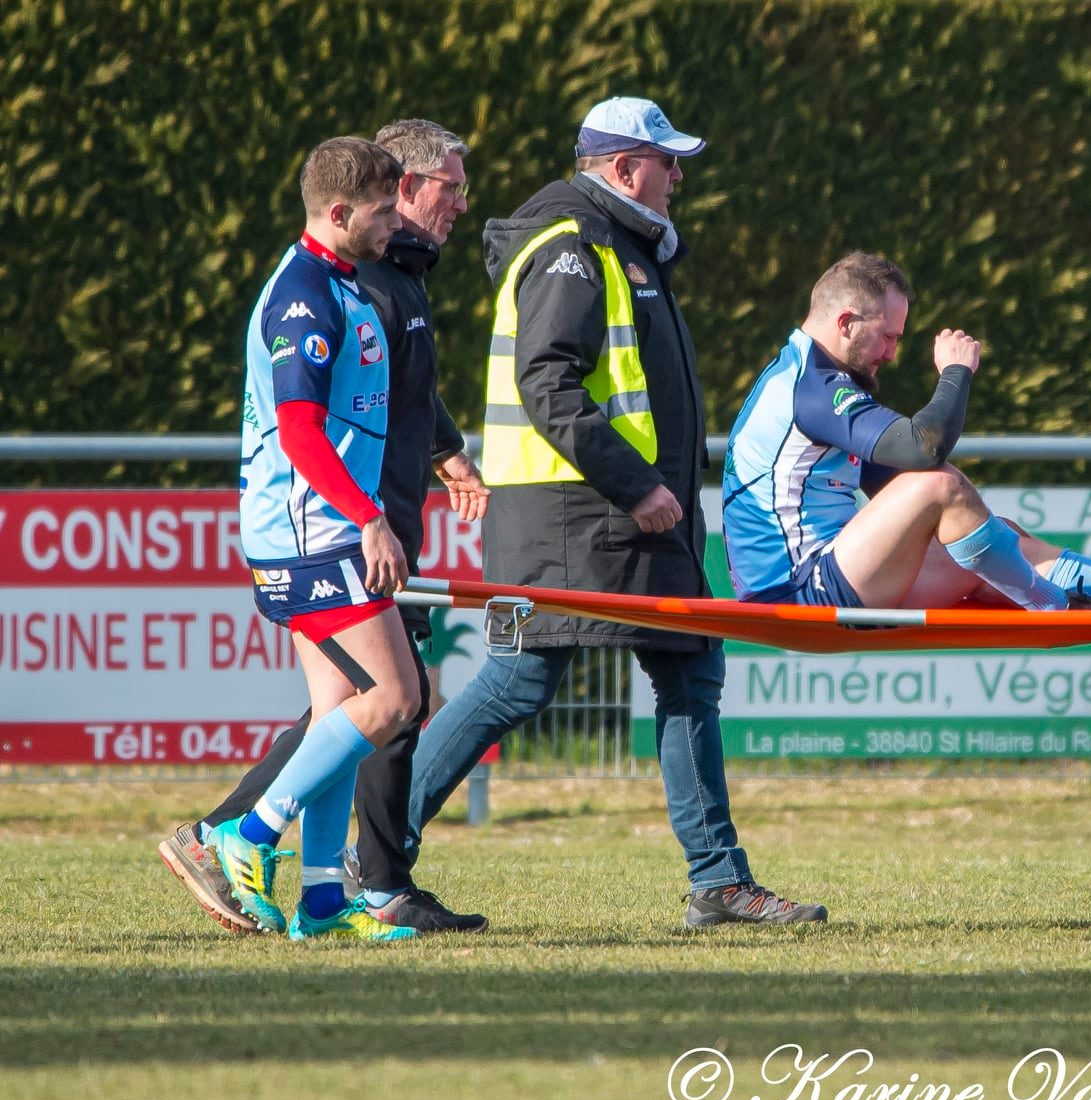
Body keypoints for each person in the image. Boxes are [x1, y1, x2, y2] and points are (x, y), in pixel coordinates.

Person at [405, 97, 824, 927]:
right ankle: (375, 850)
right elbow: (548, 383)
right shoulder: (573, 246)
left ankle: (719, 880)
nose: (678, 178)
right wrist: (638, 484)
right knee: (519, 680)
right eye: (669, 162)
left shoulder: (619, 245)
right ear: (627, 168)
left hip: (612, 521)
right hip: (580, 519)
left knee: (689, 672)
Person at [160, 120, 490, 936]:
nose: (396, 221)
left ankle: (320, 898)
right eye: (383, 209)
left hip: (323, 529)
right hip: (314, 533)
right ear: (339, 211)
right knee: (396, 697)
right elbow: (302, 431)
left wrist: (439, 456)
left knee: (343, 703)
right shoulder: (305, 294)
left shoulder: (347, 279)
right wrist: (369, 518)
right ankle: (244, 831)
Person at [722, 252, 1091, 611]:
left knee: (993, 534)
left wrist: (971, 523)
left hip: (826, 577)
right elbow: (924, 447)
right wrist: (955, 371)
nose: (892, 354)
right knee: (942, 486)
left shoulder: (810, 377)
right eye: (887, 337)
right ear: (846, 323)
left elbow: (898, 479)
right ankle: (1051, 604)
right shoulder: (812, 388)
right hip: (797, 593)